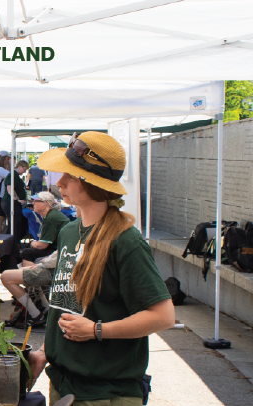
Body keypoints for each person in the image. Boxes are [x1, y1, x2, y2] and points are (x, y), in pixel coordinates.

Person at [26, 131, 175, 405]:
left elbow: (163, 316)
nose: (60, 182)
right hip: (63, 384)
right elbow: (65, 304)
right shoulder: (70, 232)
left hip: (107, 394)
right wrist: (45, 352)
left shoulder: (126, 242)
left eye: (70, 175)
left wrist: (97, 329)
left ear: (91, 184)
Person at [1, 250, 58, 328]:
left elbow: (45, 248)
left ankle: (36, 315)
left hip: (57, 270)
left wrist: (41, 264)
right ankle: (46, 308)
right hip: (57, 267)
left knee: (6, 277)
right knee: (23, 268)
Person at [19, 192, 69, 267]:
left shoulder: (50, 218)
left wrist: (33, 243)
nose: (33, 203)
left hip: (60, 251)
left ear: (45, 203)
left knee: (27, 253)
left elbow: (42, 245)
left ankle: (31, 276)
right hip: (61, 249)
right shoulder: (52, 215)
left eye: (35, 201)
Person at [2, 160, 29, 241]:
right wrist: (17, 200)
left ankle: (10, 243)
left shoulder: (15, 175)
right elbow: (10, 188)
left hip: (13, 203)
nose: (25, 171)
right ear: (20, 167)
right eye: (25, 169)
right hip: (10, 203)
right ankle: (12, 243)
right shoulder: (12, 175)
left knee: (14, 224)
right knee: (15, 224)